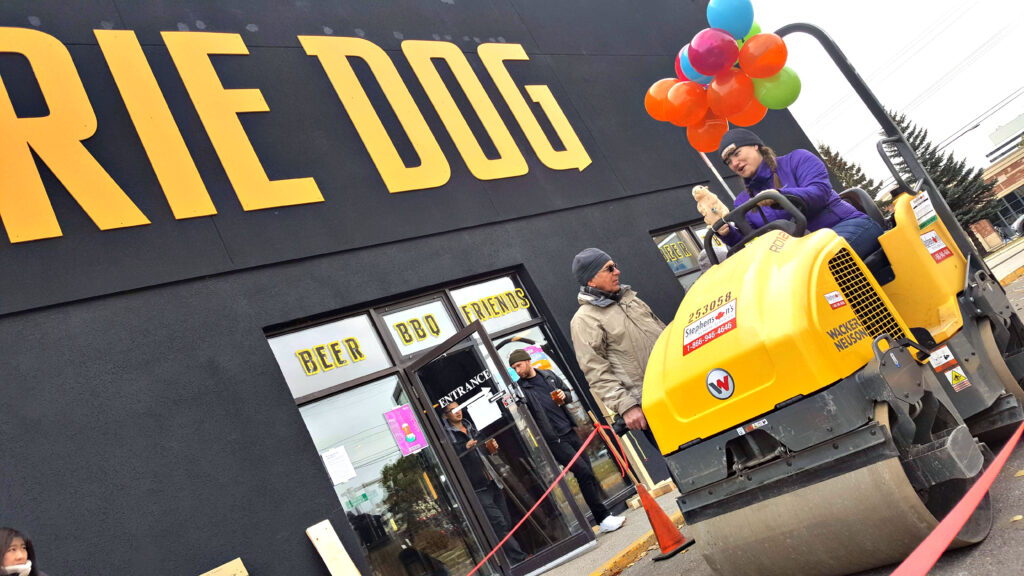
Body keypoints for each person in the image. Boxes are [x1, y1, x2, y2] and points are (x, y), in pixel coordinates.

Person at [711, 128, 884, 259]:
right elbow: (752, 242)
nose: (734, 163)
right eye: (728, 161)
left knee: (817, 263)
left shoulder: (797, 159)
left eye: (736, 153)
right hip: (800, 251)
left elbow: (820, 191)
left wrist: (780, 196)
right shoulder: (743, 202)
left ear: (756, 146)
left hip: (844, 225)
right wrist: (726, 232)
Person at [508, 349, 626, 534]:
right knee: (584, 472)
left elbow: (567, 393)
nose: (517, 370)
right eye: (514, 368)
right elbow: (520, 411)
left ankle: (603, 518)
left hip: (569, 431)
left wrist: (565, 395)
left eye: (518, 365)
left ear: (528, 361)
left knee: (587, 474)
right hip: (554, 440)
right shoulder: (521, 389)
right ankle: (602, 518)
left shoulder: (548, 376)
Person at [569, 248, 666, 449]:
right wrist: (627, 407)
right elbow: (596, 372)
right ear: (591, 280)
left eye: (615, 266)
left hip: (678, 383)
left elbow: (662, 331)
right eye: (609, 268)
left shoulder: (630, 299)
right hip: (650, 402)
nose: (617, 272)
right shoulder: (584, 320)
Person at [440, 402, 528, 564]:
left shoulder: (470, 426)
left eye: (459, 408)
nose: (457, 412)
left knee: (506, 521)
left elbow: (482, 450)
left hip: (491, 480)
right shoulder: (445, 435)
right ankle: (519, 560)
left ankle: (507, 560)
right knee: (499, 524)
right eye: (452, 410)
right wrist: (464, 448)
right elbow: (448, 458)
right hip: (476, 487)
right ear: (446, 415)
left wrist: (491, 448)